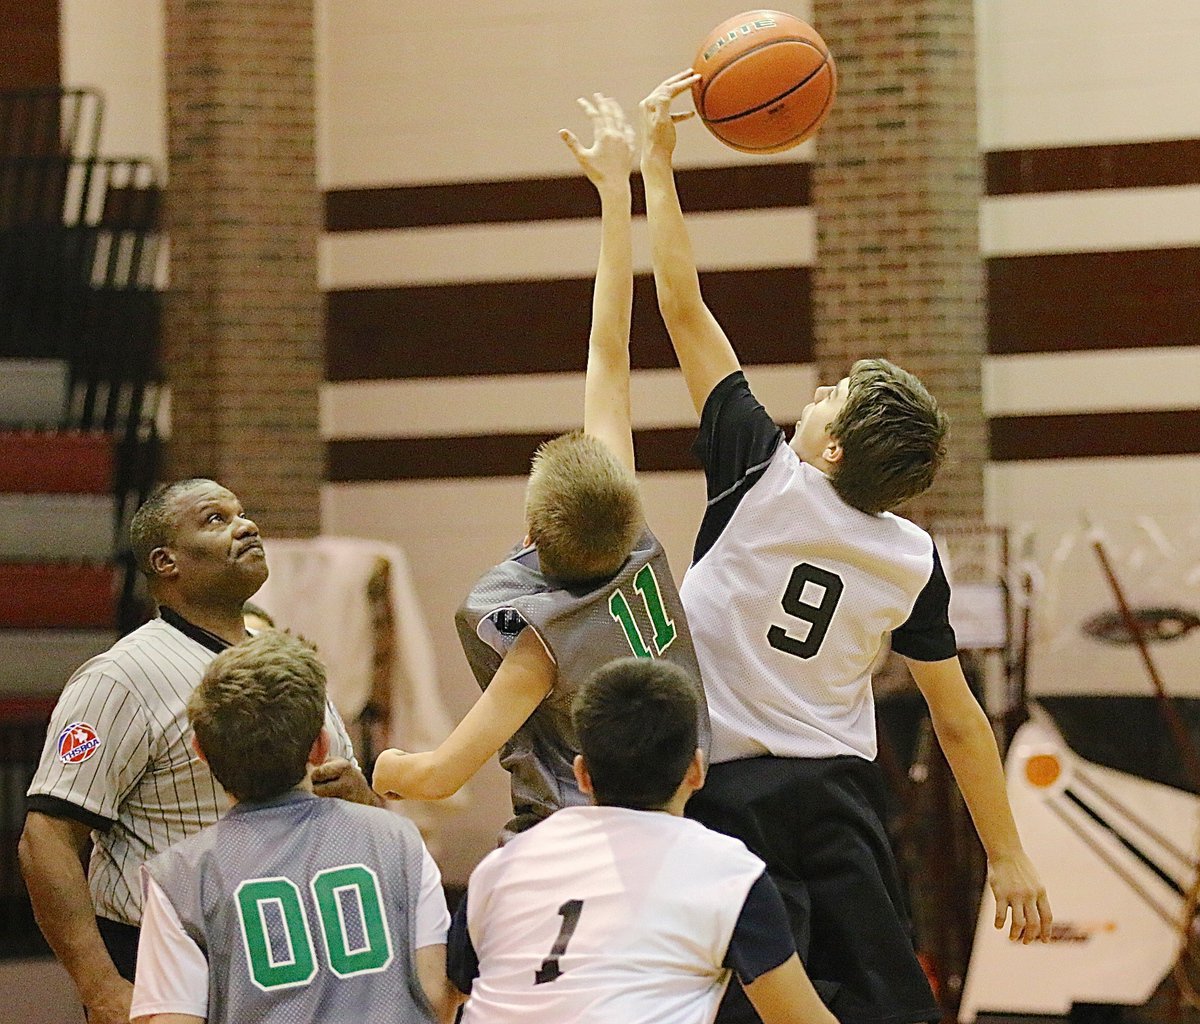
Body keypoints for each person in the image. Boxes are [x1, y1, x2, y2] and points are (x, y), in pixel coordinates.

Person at [637, 72, 1052, 1024]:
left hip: (726, 803)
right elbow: (957, 722)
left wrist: (659, 164)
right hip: (840, 806)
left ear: (828, 447)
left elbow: (682, 309)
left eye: (828, 398)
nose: (812, 398)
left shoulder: (763, 475)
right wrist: (1010, 854)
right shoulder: (912, 558)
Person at [371, 95, 709, 839]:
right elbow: (610, 354)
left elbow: (440, 774)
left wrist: (379, 766)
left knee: (458, 947)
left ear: (530, 532)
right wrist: (619, 196)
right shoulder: (637, 544)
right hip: (688, 828)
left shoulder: (539, 642)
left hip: (577, 843)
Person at [19, 478, 376, 1024]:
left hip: (296, 959)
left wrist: (360, 797)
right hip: (166, 964)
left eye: (243, 513)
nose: (247, 526)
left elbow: (360, 819)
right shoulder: (122, 676)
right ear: (166, 562)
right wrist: (100, 987)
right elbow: (45, 838)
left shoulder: (288, 666)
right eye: (215, 519)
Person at [447, 656, 838, 1024]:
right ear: (697, 771)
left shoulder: (500, 867)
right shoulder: (730, 873)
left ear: (582, 775)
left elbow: (450, 995)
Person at [129, 630, 453, 1024]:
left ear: (200, 751)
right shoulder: (398, 839)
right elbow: (435, 994)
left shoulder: (180, 878)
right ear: (320, 747)